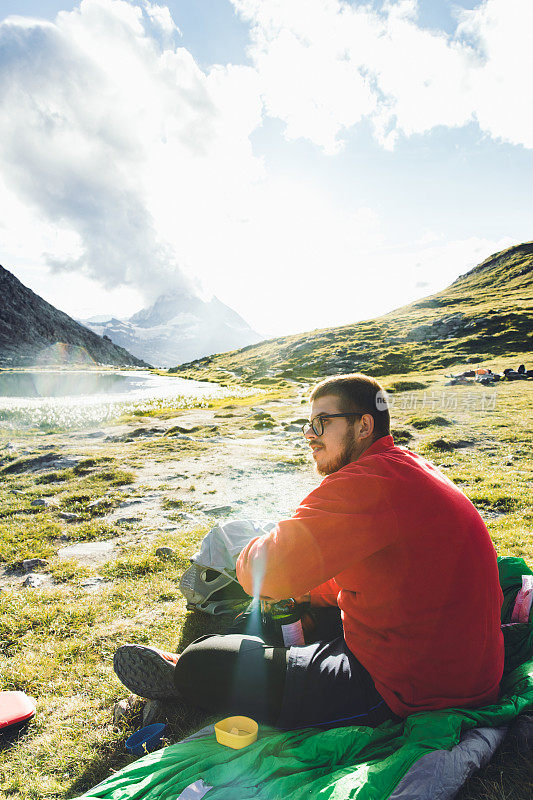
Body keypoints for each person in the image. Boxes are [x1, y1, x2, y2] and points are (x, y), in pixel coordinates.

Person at [113, 374, 504, 730]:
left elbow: (264, 571)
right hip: (459, 665)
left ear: (363, 425)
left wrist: (257, 550)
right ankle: (232, 655)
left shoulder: (367, 482)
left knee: (205, 663)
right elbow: (378, 570)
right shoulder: (406, 467)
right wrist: (310, 593)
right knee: (282, 611)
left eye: (322, 422)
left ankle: (185, 678)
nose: (310, 435)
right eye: (308, 425)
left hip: (413, 690)